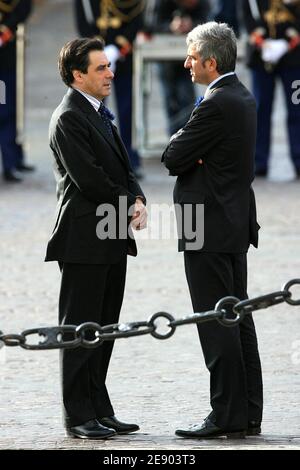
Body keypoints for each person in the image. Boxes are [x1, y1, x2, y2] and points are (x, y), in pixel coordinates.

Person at [162, 21, 263, 439]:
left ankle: (225, 414)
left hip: (208, 225)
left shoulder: (216, 103)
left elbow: (172, 156)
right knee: (238, 318)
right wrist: (191, 153)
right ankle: (247, 412)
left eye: (191, 57)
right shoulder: (241, 95)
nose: (186, 63)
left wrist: (185, 147)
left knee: (216, 321)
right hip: (232, 222)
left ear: (210, 61)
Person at [45, 37, 147, 440]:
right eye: (101, 68)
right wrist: (130, 203)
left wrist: (137, 197)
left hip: (110, 234)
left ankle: (99, 408)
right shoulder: (69, 116)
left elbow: (123, 165)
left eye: (109, 66)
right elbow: (89, 179)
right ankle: (77, 415)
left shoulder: (98, 112)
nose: (110, 73)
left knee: (104, 328)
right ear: (77, 75)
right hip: (84, 238)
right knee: (80, 330)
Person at [73, 0, 146, 178]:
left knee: (126, 108)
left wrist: (119, 48)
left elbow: (137, 18)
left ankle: (129, 158)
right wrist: (96, 51)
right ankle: (98, 158)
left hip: (123, 56)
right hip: (95, 56)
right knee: (94, 110)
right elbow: (83, 21)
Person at [243, 0, 300, 177]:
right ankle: (259, 161)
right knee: (260, 109)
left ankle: (299, 160)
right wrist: (260, 41)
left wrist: (289, 42)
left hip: (294, 58)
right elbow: (247, 17)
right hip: (262, 57)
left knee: (297, 108)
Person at [151, 0, 210, 136]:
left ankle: (188, 137)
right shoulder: (162, 4)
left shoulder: (200, 4)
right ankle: (174, 141)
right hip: (166, 56)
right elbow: (153, 24)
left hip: (189, 57)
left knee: (187, 100)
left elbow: (208, 23)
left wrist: (192, 26)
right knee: (170, 100)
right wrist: (171, 27)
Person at [0, 0, 34, 183]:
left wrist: (6, 29)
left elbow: (23, 7)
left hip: (5, 55)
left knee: (7, 107)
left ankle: (11, 161)